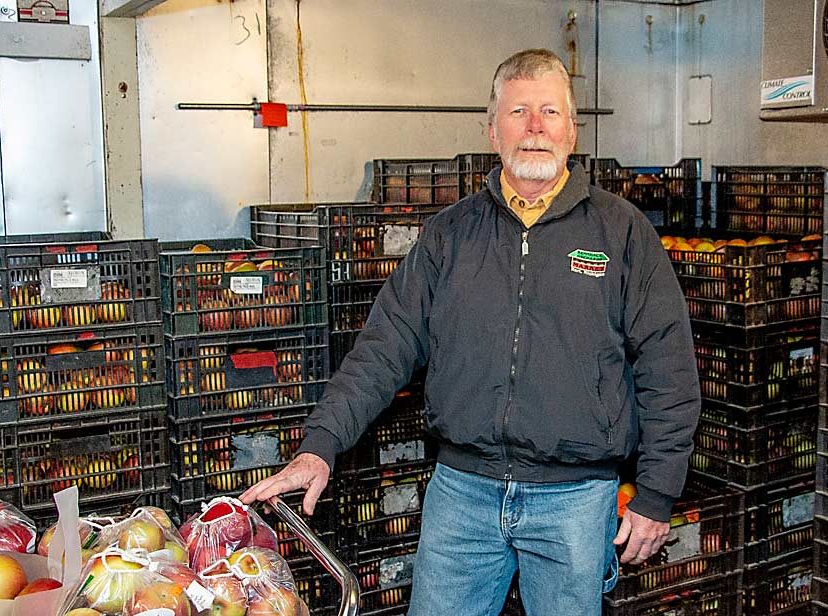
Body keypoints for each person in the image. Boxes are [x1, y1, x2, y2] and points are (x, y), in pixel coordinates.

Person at [241, 48, 700, 615]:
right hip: (463, 494)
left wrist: (655, 493)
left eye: (550, 113)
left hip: (576, 500)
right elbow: (383, 347)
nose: (535, 128)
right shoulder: (449, 236)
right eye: (519, 112)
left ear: (573, 131)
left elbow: (669, 370)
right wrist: (320, 447)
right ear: (492, 130)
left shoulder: (622, 233)